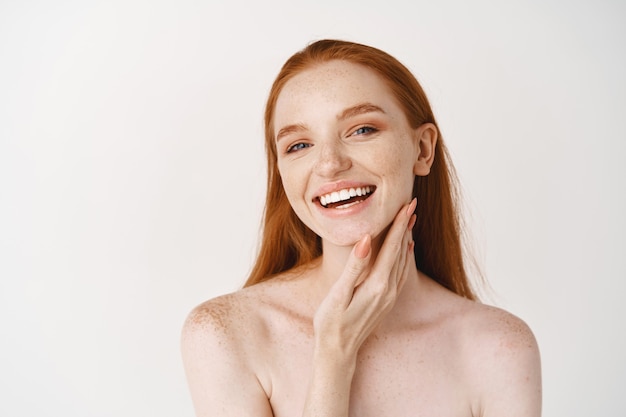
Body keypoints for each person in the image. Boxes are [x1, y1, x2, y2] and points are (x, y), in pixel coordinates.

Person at [181, 39, 542, 416]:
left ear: (423, 150)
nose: (329, 164)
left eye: (362, 130)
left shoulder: (500, 349)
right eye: (299, 145)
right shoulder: (224, 334)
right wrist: (333, 357)